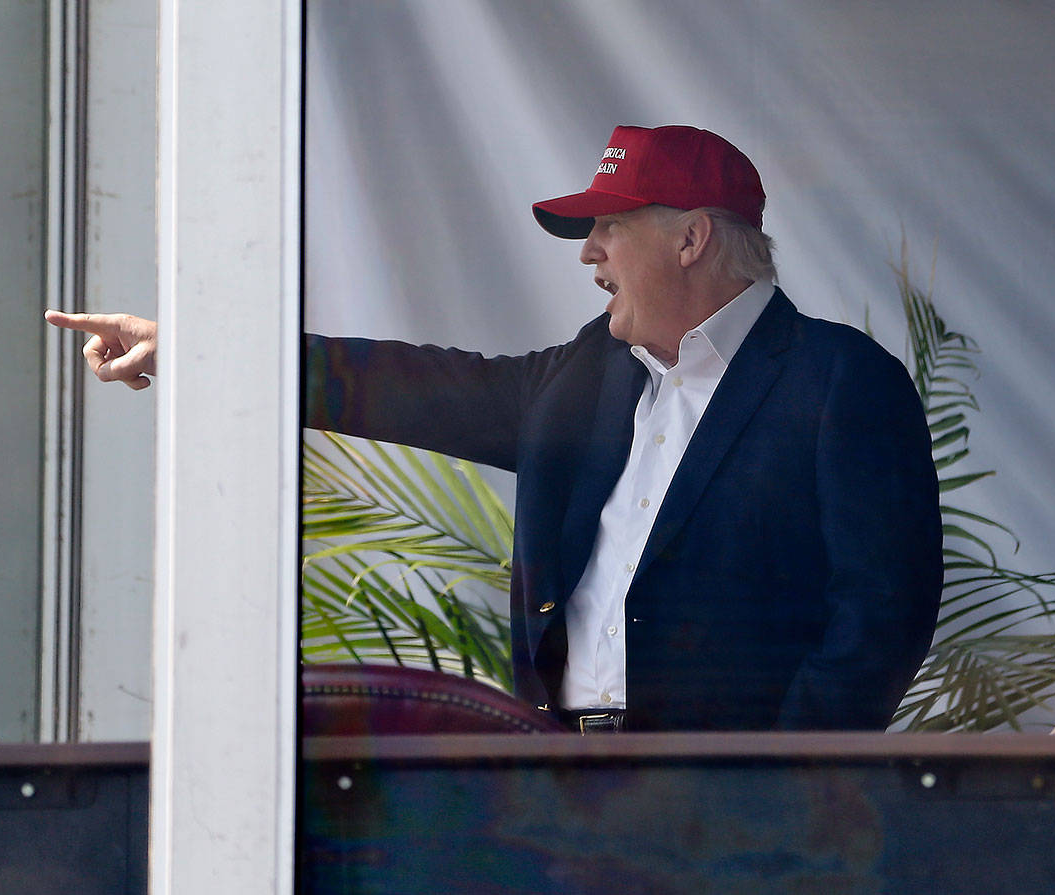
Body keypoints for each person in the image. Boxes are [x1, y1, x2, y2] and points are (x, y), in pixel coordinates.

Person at [47, 124, 943, 732]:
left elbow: (881, 618)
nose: (589, 252)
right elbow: (414, 385)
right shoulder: (590, 375)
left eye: (608, 226)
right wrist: (200, 352)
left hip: (744, 812)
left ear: (692, 239)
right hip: (563, 787)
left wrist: (781, 782)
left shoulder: (841, 384)